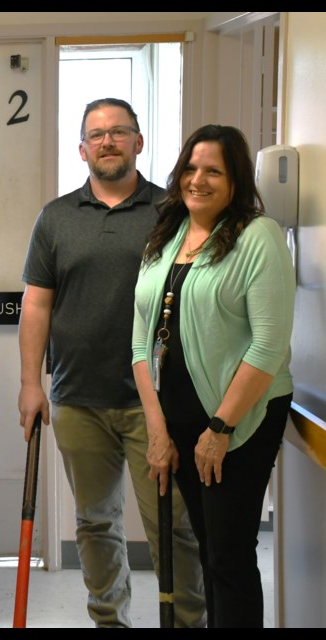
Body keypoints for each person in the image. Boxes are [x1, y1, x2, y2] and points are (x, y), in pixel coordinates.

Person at [17, 97, 206, 627]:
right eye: (97, 135)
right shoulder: (55, 218)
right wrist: (31, 383)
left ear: (139, 142)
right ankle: (109, 621)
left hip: (160, 404)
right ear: (81, 149)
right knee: (95, 525)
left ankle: (189, 620)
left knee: (172, 525)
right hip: (78, 397)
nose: (108, 142)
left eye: (119, 132)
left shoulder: (173, 211)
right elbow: (37, 303)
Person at [132, 124, 294, 627]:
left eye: (213, 171)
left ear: (235, 180)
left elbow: (268, 346)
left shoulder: (256, 236)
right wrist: (156, 428)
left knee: (228, 555)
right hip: (177, 417)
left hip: (239, 420)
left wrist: (220, 429)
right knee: (207, 550)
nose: (197, 180)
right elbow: (140, 341)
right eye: (191, 168)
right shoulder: (168, 235)